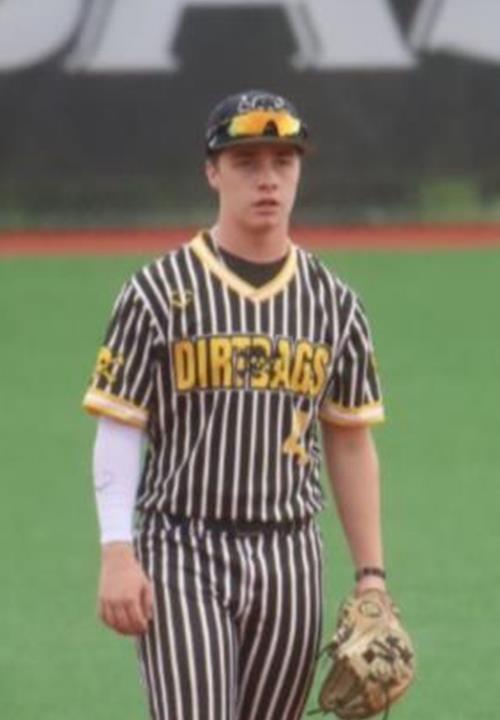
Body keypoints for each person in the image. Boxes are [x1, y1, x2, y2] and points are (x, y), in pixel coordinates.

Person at [83, 89, 387, 720]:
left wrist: (371, 577)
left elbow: (350, 440)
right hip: (182, 546)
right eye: (246, 162)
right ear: (212, 172)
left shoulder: (334, 304)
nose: (267, 179)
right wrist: (116, 548)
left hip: (290, 556)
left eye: (283, 161)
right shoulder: (157, 293)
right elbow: (120, 425)